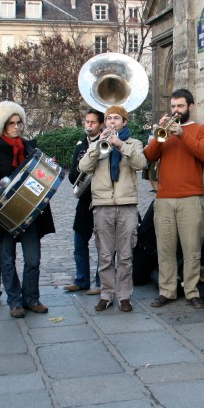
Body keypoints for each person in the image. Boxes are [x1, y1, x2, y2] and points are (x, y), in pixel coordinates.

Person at [0, 101, 55, 319]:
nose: (16, 127)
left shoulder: (30, 147)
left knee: (33, 259)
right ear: (2, 125)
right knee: (8, 260)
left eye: (18, 122)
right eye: (11, 123)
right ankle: (15, 302)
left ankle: (31, 299)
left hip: (28, 212)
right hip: (3, 213)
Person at [144, 89, 204, 309]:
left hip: (191, 198)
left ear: (190, 107)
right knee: (165, 249)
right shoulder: (164, 132)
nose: (176, 110)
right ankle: (167, 291)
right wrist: (159, 133)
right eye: (173, 106)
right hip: (164, 198)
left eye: (180, 106)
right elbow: (149, 155)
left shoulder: (201, 129)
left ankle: (192, 291)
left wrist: (182, 134)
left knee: (192, 249)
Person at [79, 105, 147, 311]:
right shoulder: (96, 143)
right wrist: (98, 146)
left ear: (124, 122)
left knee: (126, 255)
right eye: (109, 118)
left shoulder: (134, 143)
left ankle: (124, 296)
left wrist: (120, 145)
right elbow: (83, 167)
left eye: (116, 118)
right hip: (102, 205)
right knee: (105, 255)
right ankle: (106, 294)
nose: (112, 122)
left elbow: (141, 164)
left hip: (127, 204)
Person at [65, 109, 103, 295]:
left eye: (93, 122)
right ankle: (81, 280)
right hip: (84, 200)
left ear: (101, 125)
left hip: (102, 200)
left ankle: (100, 282)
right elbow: (72, 175)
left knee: (103, 246)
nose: (89, 125)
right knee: (79, 243)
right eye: (87, 122)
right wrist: (80, 172)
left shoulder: (106, 143)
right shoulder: (80, 146)